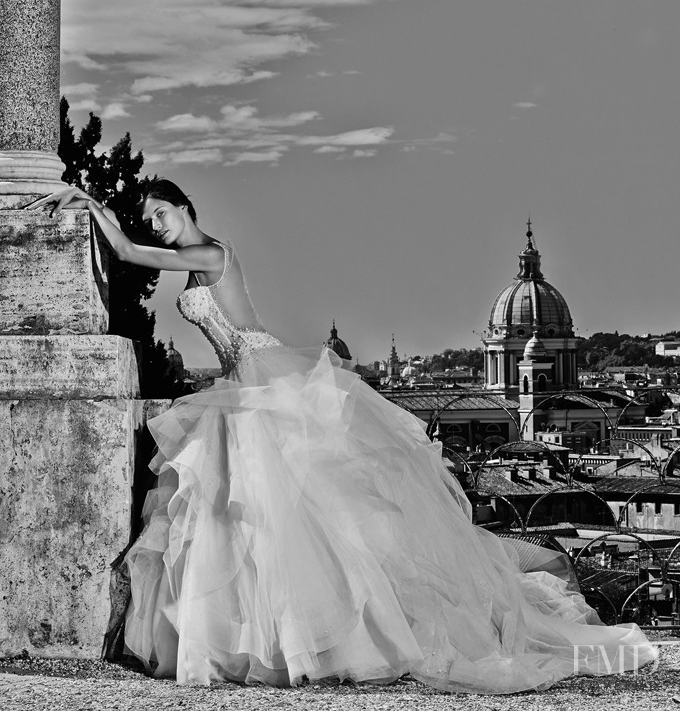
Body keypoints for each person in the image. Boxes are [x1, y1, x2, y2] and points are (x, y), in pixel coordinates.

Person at [29, 181, 657, 692]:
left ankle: (326, 635)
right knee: (260, 521)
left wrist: (90, 205)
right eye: (152, 219)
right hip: (239, 383)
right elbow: (145, 253)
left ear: (186, 208)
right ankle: (274, 636)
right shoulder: (196, 258)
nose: (159, 226)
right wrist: (100, 209)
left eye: (162, 214)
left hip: (257, 379)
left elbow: (139, 257)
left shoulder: (211, 253)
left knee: (291, 517)